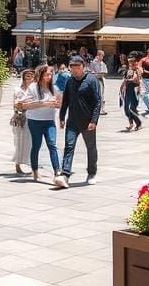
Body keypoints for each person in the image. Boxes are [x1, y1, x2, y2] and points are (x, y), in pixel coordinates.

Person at [55, 55, 101, 188]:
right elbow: (66, 100)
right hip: (73, 122)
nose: (75, 70)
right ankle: (65, 175)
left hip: (88, 122)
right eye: (72, 67)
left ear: (83, 67)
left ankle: (92, 173)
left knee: (91, 148)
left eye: (77, 67)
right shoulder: (70, 81)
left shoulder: (92, 80)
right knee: (69, 146)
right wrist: (62, 117)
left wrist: (94, 120)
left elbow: (98, 101)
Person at [24, 65, 62, 183]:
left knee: (52, 144)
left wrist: (57, 104)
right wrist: (44, 103)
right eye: (46, 74)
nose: (49, 77)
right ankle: (35, 171)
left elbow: (60, 103)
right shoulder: (33, 87)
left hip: (49, 121)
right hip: (34, 121)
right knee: (36, 145)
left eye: (50, 74)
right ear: (40, 75)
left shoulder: (53, 88)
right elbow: (26, 105)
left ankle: (57, 172)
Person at [11, 68, 35, 174]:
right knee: (19, 141)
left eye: (32, 76)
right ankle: (17, 164)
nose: (30, 78)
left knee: (30, 142)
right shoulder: (18, 89)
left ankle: (30, 164)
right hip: (20, 118)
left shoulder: (35, 89)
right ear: (24, 77)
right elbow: (15, 104)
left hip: (32, 117)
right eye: (28, 76)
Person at [122, 53, 142, 131]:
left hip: (134, 90)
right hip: (128, 89)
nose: (131, 64)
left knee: (132, 108)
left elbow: (137, 80)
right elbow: (125, 80)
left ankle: (138, 123)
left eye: (132, 63)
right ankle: (131, 123)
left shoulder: (138, 70)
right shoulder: (129, 70)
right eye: (130, 63)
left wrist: (128, 80)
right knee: (126, 108)